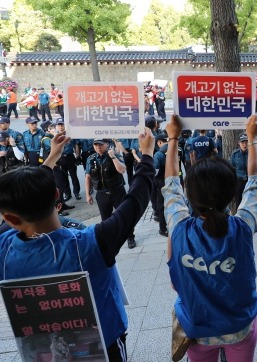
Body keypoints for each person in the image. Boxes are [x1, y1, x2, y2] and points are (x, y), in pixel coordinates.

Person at [0, 127, 156, 361]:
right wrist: (147, 155)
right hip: (105, 345)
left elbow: (135, 201)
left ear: (10, 218)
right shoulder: (90, 243)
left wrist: (51, 158)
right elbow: (136, 199)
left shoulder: (4, 248)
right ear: (57, 196)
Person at [162, 114, 257, 362]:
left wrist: (173, 138)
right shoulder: (242, 227)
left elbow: (170, 184)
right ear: (231, 196)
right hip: (239, 329)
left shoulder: (179, 228)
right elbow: (256, 183)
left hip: (196, 332)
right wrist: (253, 140)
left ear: (190, 195)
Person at [85, 139, 136, 249]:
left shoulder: (115, 154)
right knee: (106, 219)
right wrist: (88, 194)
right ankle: (111, 240)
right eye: (96, 145)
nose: (98, 147)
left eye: (101, 145)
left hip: (117, 191)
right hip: (102, 194)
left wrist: (112, 156)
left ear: (107, 144)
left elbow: (122, 170)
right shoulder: (91, 159)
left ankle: (130, 237)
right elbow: (88, 177)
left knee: (124, 215)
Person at [153, 133, 169, 237]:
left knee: (162, 206)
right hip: (176, 179)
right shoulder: (178, 149)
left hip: (163, 182)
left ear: (159, 142)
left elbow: (155, 171)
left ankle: (163, 229)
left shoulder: (159, 154)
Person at [230, 133, 249, 210]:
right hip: (239, 181)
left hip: (249, 181)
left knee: (249, 201)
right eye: (242, 142)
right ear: (239, 143)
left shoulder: (252, 153)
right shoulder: (235, 154)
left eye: (246, 142)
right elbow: (232, 169)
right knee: (239, 201)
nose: (244, 144)